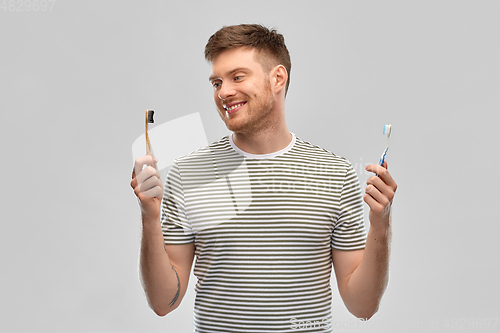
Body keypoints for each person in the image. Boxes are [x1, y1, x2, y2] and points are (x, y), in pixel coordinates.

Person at [131, 24, 398, 332]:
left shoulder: (334, 175)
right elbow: (164, 303)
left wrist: (381, 224)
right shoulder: (188, 173)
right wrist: (149, 218)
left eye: (238, 77)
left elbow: (362, 307)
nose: (223, 92)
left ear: (277, 79)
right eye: (216, 82)